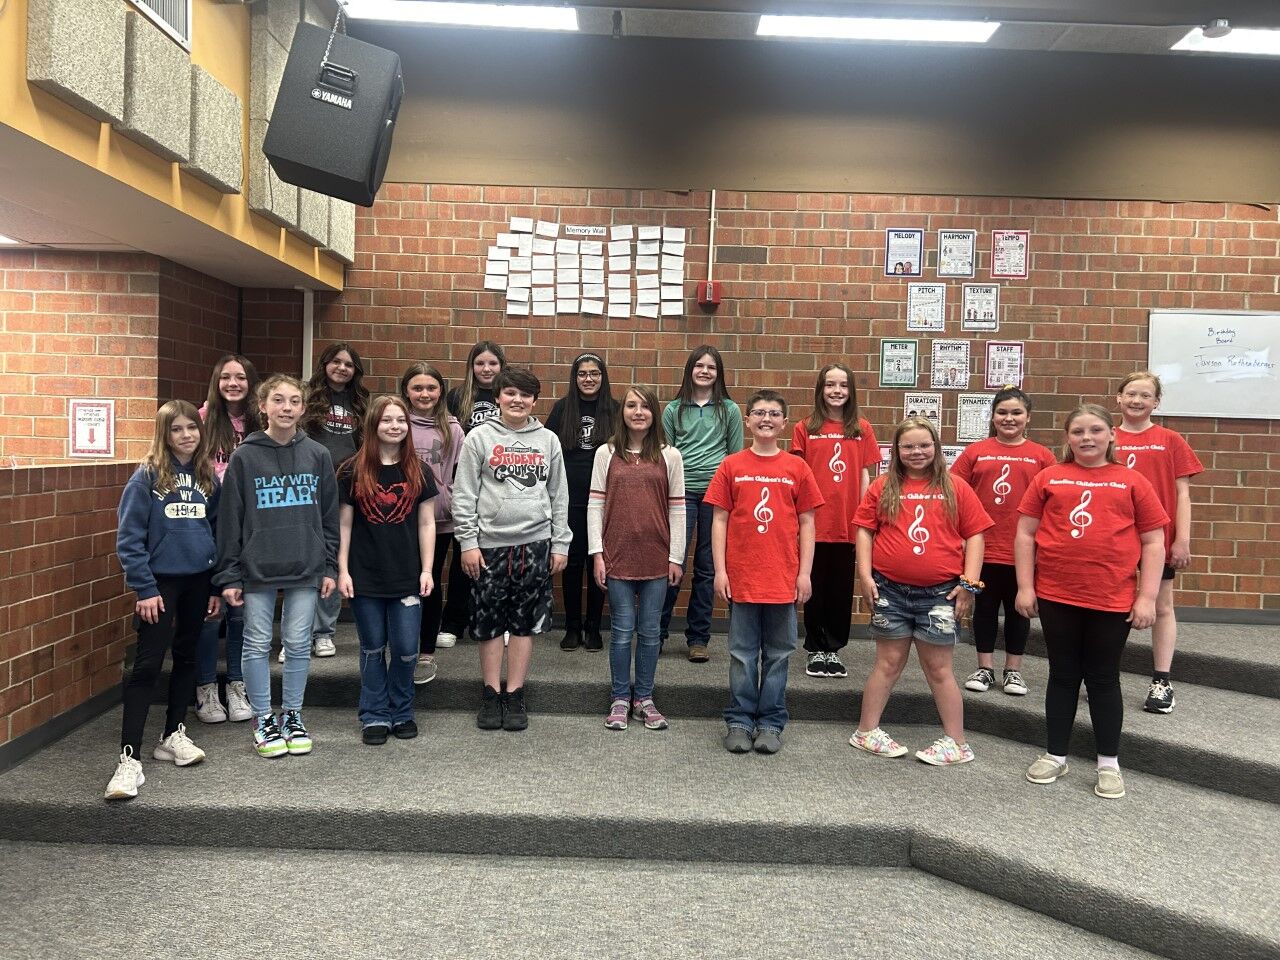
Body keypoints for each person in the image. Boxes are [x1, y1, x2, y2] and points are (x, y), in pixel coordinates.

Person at [1017, 404, 1168, 800]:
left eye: (1096, 430)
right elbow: (1025, 534)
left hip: (1111, 597)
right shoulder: (1049, 477)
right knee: (1062, 675)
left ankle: (1108, 763)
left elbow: (1154, 541)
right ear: (1067, 438)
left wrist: (1147, 596)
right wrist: (1025, 587)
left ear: (1111, 435)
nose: (1087, 438)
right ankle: (1055, 754)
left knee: (1103, 679)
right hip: (1056, 595)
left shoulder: (1132, 481)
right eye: (1078, 431)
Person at [849, 417, 991, 766]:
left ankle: (956, 742)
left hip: (940, 595)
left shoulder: (956, 486)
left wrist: (969, 583)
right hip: (890, 593)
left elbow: (975, 534)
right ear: (896, 450)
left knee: (939, 669)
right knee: (888, 662)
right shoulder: (882, 486)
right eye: (908, 446)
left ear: (936, 448)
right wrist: (865, 576)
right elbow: (865, 531)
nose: (917, 452)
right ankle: (866, 731)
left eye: (924, 445)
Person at [214, 374, 339, 759]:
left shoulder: (318, 454)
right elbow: (230, 520)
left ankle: (293, 715)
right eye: (279, 400)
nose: (286, 408)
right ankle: (263, 718)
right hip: (257, 567)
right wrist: (229, 573)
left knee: (299, 643)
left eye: (294, 401)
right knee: (255, 643)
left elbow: (329, 517)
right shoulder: (245, 456)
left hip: (305, 563)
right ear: (263, 406)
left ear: (303, 408)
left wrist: (329, 566)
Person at [107, 400, 219, 800]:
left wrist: (217, 587)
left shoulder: (208, 478)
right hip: (160, 586)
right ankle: (129, 759)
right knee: (147, 666)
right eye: (177, 429)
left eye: (192, 428)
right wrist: (146, 587)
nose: (187, 435)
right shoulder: (146, 478)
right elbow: (129, 539)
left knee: (188, 657)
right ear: (163, 434)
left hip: (198, 582)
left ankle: (172, 734)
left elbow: (216, 532)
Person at [706, 389, 822, 755]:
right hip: (743, 577)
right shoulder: (732, 465)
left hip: (782, 579)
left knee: (778, 654)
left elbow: (808, 524)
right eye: (759, 412)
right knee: (741, 653)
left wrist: (804, 574)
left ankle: (771, 721)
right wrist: (720, 571)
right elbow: (719, 521)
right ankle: (740, 720)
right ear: (748, 420)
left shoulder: (796, 468)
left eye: (774, 413)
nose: (766, 419)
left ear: (784, 422)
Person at [453, 367, 570, 732]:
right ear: (499, 397)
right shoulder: (479, 438)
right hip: (489, 546)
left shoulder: (548, 440)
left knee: (523, 623)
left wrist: (560, 542)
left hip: (535, 544)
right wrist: (468, 543)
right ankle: (490, 692)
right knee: (488, 623)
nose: (517, 400)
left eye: (525, 395)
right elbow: (464, 493)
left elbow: (559, 495)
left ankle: (515, 692)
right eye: (510, 394)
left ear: (535, 401)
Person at [337, 396, 437, 745]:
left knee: (408, 647)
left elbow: (427, 524)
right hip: (364, 575)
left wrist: (427, 569)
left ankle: (402, 709)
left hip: (407, 575)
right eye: (386, 420)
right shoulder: (352, 470)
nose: (394, 426)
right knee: (372, 647)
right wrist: (342, 571)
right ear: (372, 425)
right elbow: (344, 526)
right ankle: (374, 713)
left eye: (400, 420)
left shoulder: (419, 471)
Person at [588, 386, 686, 731]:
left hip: (657, 557)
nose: (638, 411)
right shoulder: (606, 453)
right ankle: (619, 697)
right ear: (623, 412)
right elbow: (595, 505)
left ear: (655, 413)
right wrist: (596, 553)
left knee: (649, 632)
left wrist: (676, 556)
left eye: (645, 406)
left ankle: (644, 698)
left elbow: (678, 509)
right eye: (632, 405)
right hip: (617, 555)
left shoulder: (670, 455)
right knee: (621, 631)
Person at [951, 387, 1056, 697]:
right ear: (993, 416)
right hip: (982, 548)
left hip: (1022, 552)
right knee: (983, 611)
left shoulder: (1041, 455)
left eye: (1016, 413)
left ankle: (1013, 671)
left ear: (1028, 418)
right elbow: (954, 492)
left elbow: (1055, 502)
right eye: (1003, 412)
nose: (1009, 418)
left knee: (1017, 611)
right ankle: (984, 668)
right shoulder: (975, 452)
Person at [1112, 372, 1203, 715]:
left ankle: (1161, 681)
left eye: (1145, 395)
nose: (1137, 400)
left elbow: (1183, 495)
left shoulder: (1170, 439)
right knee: (1112, 606)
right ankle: (1105, 677)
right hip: (1114, 538)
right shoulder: (1106, 436)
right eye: (1131, 393)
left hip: (1157, 538)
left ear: (1156, 402)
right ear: (1118, 398)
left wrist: (1182, 539)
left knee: (1161, 605)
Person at [790, 363, 880, 679]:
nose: (836, 391)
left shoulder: (862, 429)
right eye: (830, 385)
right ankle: (816, 648)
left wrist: (866, 517)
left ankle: (834, 650)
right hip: (814, 523)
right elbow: (798, 474)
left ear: (851, 391)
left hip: (848, 524)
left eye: (843, 385)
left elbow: (866, 475)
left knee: (841, 589)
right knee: (814, 587)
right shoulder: (805, 428)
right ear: (821, 389)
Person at [660, 345, 744, 663]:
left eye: (711, 367)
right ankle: (658, 633)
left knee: (708, 568)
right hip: (681, 496)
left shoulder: (730, 410)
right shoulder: (673, 410)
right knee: (673, 564)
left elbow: (735, 458)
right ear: (690, 370)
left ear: (718, 373)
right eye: (699, 366)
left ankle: (698, 638)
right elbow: (665, 456)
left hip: (715, 496)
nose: (705, 371)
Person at [194, 355, 259, 724]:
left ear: (251, 382)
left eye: (240, 377)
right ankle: (205, 689)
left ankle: (236, 684)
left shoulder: (258, 424)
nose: (233, 383)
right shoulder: (203, 420)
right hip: (209, 525)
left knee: (240, 613)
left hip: (247, 527)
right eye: (226, 377)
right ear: (216, 382)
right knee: (210, 610)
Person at [546, 352, 617, 652]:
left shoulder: (615, 409)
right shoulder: (563, 408)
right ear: (574, 379)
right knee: (572, 562)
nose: (588, 379)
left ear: (603, 377)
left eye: (594, 373)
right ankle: (573, 626)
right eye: (582, 374)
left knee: (597, 562)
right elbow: (547, 447)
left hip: (605, 499)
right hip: (570, 498)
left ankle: (594, 627)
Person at [302, 342, 368, 659]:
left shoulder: (360, 402)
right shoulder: (307, 396)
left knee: (334, 553)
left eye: (349, 364)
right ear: (324, 364)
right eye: (336, 362)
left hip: (347, 485)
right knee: (305, 554)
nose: (342, 368)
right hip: (310, 484)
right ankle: (298, 633)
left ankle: (324, 632)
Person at [440, 340, 507, 647]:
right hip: (463, 486)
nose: (486, 369)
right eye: (480, 363)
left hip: (499, 486)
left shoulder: (507, 395)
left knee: (497, 557)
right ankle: (453, 622)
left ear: (501, 367)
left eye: (492, 363)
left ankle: (496, 620)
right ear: (472, 366)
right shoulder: (457, 396)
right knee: (462, 556)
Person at [401, 363, 464, 685]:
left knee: (429, 585)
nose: (424, 394)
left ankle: (426, 652)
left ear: (441, 392)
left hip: (439, 522)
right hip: (397, 521)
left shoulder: (452, 429)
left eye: (431, 388)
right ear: (406, 391)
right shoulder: (398, 424)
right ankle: (400, 649)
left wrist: (447, 498)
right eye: (417, 388)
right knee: (401, 585)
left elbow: (459, 474)